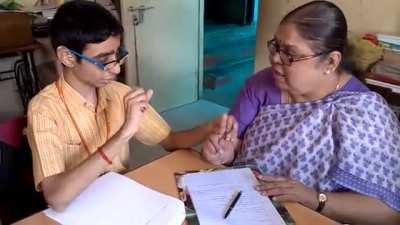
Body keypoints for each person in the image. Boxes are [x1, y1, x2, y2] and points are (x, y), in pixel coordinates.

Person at [201, 1, 400, 224]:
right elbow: (237, 146)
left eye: (290, 54)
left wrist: (314, 199)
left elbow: (389, 212)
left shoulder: (365, 115)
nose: (275, 58)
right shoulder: (260, 85)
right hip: (242, 205)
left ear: (331, 62)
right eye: (275, 46)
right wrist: (225, 155)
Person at [27, 0, 228, 212]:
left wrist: (210, 128)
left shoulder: (119, 93)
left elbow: (170, 141)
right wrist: (123, 134)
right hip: (76, 209)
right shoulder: (43, 110)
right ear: (67, 57)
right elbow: (56, 198)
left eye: (117, 55)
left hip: (123, 198)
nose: (115, 69)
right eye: (103, 60)